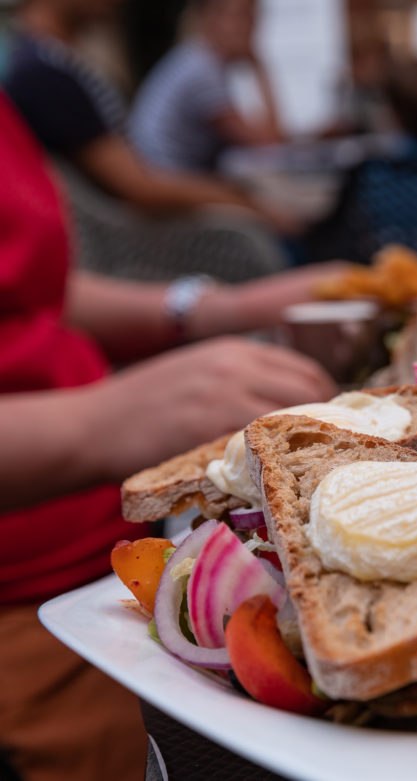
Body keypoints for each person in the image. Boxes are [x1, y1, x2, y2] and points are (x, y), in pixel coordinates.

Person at [0, 89, 340, 781]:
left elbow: (32, 288)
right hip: (30, 619)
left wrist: (218, 308)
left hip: (122, 564)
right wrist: (105, 419)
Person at [2, 0, 289, 229]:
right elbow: (140, 189)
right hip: (138, 242)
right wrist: (243, 202)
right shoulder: (43, 75)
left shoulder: (57, 61)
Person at [130, 0, 284, 174]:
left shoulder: (192, 58)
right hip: (165, 182)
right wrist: (258, 67)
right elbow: (268, 143)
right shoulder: (202, 71)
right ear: (209, 18)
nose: (248, 28)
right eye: (238, 16)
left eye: (253, 17)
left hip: (166, 176)